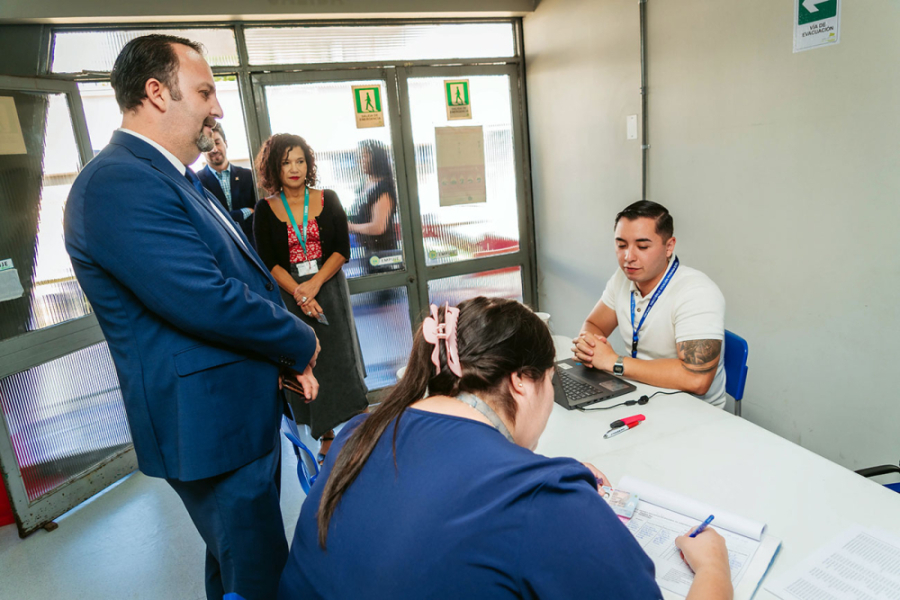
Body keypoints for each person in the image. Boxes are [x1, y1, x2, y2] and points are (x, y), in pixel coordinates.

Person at [63, 35, 320, 600]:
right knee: (259, 576)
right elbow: (205, 298)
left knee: (235, 563)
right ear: (157, 92)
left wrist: (271, 359)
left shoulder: (178, 175)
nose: (218, 108)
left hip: (230, 413)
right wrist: (298, 340)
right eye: (205, 91)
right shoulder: (117, 184)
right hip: (209, 427)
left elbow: (239, 276)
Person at [279, 297, 733, 600]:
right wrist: (713, 568)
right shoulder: (542, 500)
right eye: (551, 381)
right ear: (522, 381)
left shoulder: (358, 432)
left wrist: (551, 480)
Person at [253, 133, 369, 457]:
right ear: (275, 167)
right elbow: (269, 262)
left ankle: (362, 420)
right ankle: (326, 433)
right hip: (291, 298)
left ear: (309, 164)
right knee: (307, 360)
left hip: (328, 289)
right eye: (286, 161)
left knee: (340, 358)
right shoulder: (265, 210)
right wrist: (300, 293)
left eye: (300, 160)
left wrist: (314, 285)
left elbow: (342, 250)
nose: (294, 168)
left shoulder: (327, 198)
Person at [574, 200, 727, 406]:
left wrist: (614, 362)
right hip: (643, 394)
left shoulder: (697, 292)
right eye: (621, 245)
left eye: (642, 246)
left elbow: (697, 379)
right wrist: (589, 348)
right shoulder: (623, 278)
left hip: (695, 413)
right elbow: (596, 324)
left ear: (668, 246)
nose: (628, 257)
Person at [347, 139, 402, 274]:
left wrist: (350, 227)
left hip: (383, 254)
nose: (360, 161)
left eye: (364, 156)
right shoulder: (365, 183)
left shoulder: (384, 188)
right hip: (367, 250)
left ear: (376, 158)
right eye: (359, 156)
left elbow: (378, 227)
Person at [197, 122, 257, 242]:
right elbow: (208, 220)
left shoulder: (248, 175)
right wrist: (242, 213)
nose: (214, 149)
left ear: (226, 143)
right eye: (209, 145)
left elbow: (258, 214)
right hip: (221, 246)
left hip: (252, 244)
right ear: (202, 150)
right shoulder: (196, 182)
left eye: (217, 143)